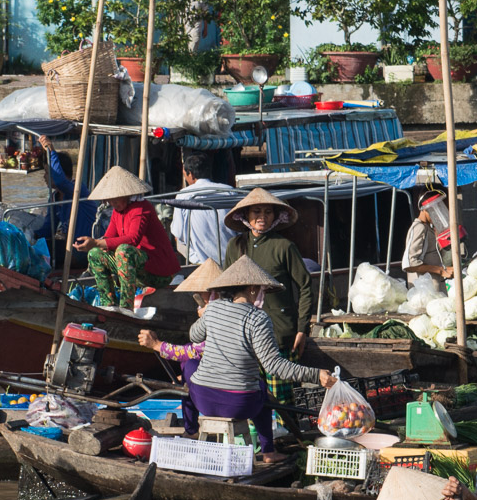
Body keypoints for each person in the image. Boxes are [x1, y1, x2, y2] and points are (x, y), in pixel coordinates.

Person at [184, 256, 334, 457]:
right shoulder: (258, 318)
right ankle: (268, 452)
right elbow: (274, 366)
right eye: (261, 290)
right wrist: (316, 375)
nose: (262, 295)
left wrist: (204, 314)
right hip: (240, 404)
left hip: (203, 400)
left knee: (190, 364)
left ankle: (190, 428)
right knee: (261, 388)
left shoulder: (214, 308)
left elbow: (194, 335)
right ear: (253, 289)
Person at [222, 188, 315, 403]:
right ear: (245, 215)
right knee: (249, 396)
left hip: (279, 332)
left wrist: (302, 328)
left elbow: (305, 286)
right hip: (242, 334)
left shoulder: (283, 246)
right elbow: (226, 289)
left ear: (275, 217)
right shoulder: (234, 246)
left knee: (282, 400)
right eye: (256, 211)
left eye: (267, 212)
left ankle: (288, 435)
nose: (262, 217)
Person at [72, 165, 181, 309]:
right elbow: (109, 238)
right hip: (138, 269)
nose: (112, 203)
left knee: (124, 251)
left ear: (126, 194)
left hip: (159, 272)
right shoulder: (117, 212)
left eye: (115, 199)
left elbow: (132, 239)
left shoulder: (142, 208)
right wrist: (93, 245)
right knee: (95, 254)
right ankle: (108, 303)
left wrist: (97, 242)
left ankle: (126, 306)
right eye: (110, 200)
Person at [137, 258, 221, 436]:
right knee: (188, 367)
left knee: (189, 366)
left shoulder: (217, 315)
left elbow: (192, 351)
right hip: (222, 381)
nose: (199, 297)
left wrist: (157, 345)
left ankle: (191, 430)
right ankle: (191, 428)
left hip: (221, 390)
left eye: (202, 293)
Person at [170, 152, 241, 267]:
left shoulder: (184, 195)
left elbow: (178, 232)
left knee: (177, 237)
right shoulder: (229, 191)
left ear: (191, 175)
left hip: (200, 260)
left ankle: (197, 263)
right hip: (231, 257)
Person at [36, 135, 95, 254]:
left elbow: (60, 181)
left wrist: (52, 150)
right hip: (69, 245)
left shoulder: (78, 190)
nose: (44, 177)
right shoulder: (54, 197)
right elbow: (49, 228)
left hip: (84, 248)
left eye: (47, 172)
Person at [401, 192, 450, 285]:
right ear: (425, 209)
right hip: (425, 288)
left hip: (435, 287)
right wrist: (440, 270)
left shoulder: (428, 227)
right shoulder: (419, 228)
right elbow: (410, 263)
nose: (438, 213)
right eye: (435, 209)